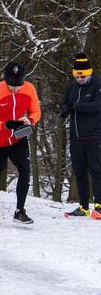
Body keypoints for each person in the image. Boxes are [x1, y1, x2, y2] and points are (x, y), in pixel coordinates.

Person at [0, 62, 40, 224]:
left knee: (24, 169)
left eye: (19, 85)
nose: (15, 89)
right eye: (11, 85)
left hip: (18, 137)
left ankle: (19, 211)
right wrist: (4, 125)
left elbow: (36, 111)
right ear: (5, 79)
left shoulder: (29, 88)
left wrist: (29, 120)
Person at [61, 54, 101, 218]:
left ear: (89, 73)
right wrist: (64, 110)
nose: (80, 79)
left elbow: (97, 105)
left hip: (94, 135)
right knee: (79, 172)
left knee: (96, 170)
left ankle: (98, 205)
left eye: (82, 76)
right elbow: (64, 103)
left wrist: (76, 107)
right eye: (77, 76)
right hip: (75, 137)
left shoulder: (98, 86)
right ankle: (83, 206)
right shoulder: (72, 87)